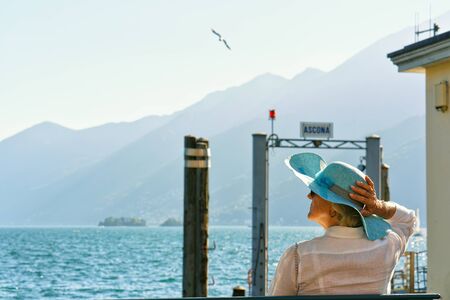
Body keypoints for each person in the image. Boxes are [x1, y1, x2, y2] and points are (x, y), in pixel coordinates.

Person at [268, 153, 416, 295]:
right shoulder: (387, 246)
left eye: (314, 193)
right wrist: (378, 206)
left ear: (334, 210)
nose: (308, 196)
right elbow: (408, 220)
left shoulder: (297, 256)